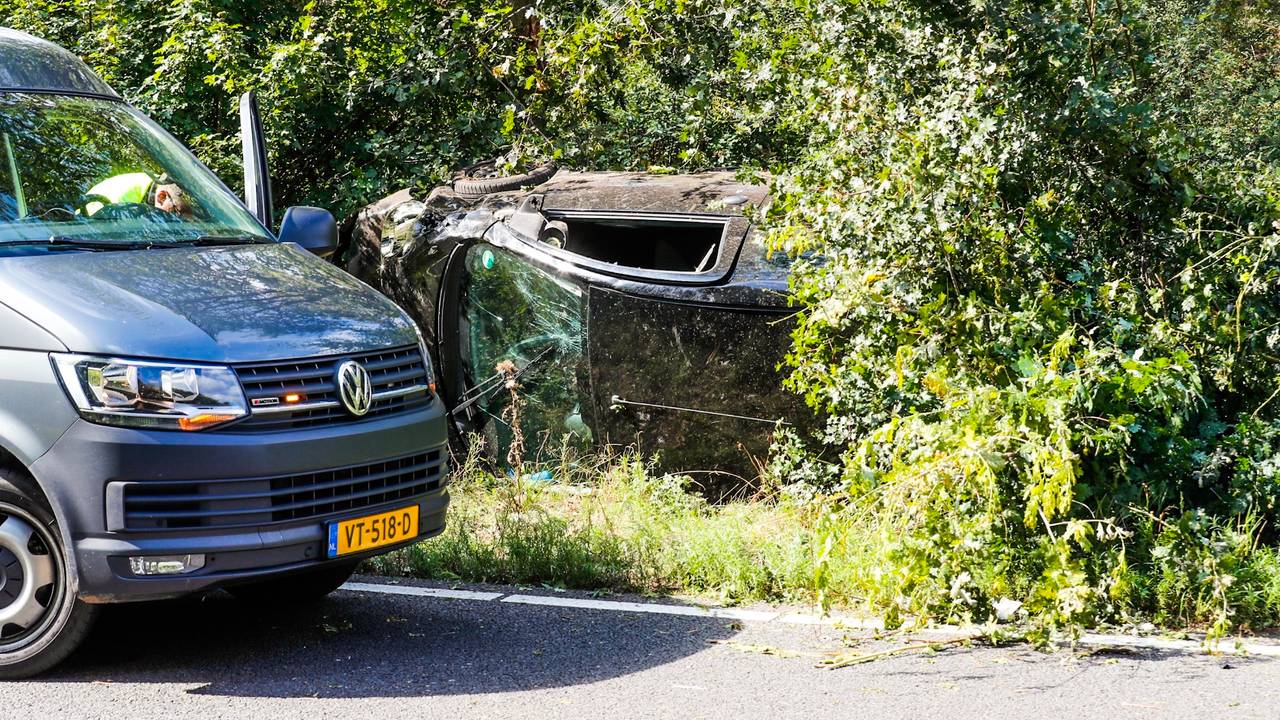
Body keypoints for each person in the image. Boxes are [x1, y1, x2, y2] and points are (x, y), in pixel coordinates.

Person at [84, 171, 192, 218]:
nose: (181, 222)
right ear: (162, 197)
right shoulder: (119, 199)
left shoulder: (160, 184)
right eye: (176, 214)